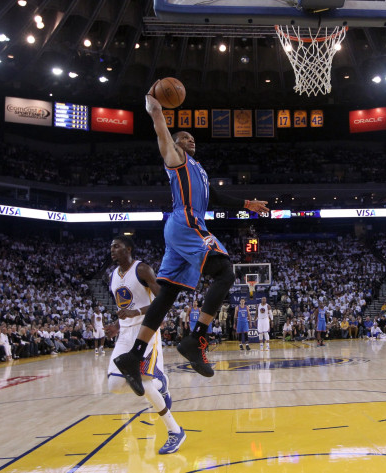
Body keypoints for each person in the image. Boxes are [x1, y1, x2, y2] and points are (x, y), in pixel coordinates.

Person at [113, 81, 269, 394]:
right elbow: (158, 122)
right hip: (186, 225)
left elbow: (217, 197)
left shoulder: (199, 169)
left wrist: (247, 204)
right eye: (186, 136)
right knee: (225, 270)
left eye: (193, 138)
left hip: (180, 231)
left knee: (167, 294)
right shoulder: (174, 156)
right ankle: (197, 339)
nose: (191, 140)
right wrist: (152, 98)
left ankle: (133, 356)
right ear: (177, 141)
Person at [107, 235, 184, 455]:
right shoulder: (113, 276)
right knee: (114, 385)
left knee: (145, 385)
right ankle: (162, 383)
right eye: (111, 247)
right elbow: (126, 306)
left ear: (128, 248)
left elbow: (163, 301)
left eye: (117, 246)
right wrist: (117, 324)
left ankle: (175, 431)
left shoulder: (142, 269)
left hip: (146, 330)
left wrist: (136, 313)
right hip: (125, 333)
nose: (112, 250)